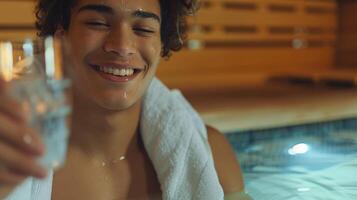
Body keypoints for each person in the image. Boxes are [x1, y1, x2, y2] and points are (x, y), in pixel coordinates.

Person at [0, 0, 247, 199]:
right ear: (60, 37)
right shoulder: (10, 160)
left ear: (162, 43)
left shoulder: (214, 159)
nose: (121, 46)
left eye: (143, 29)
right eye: (97, 23)